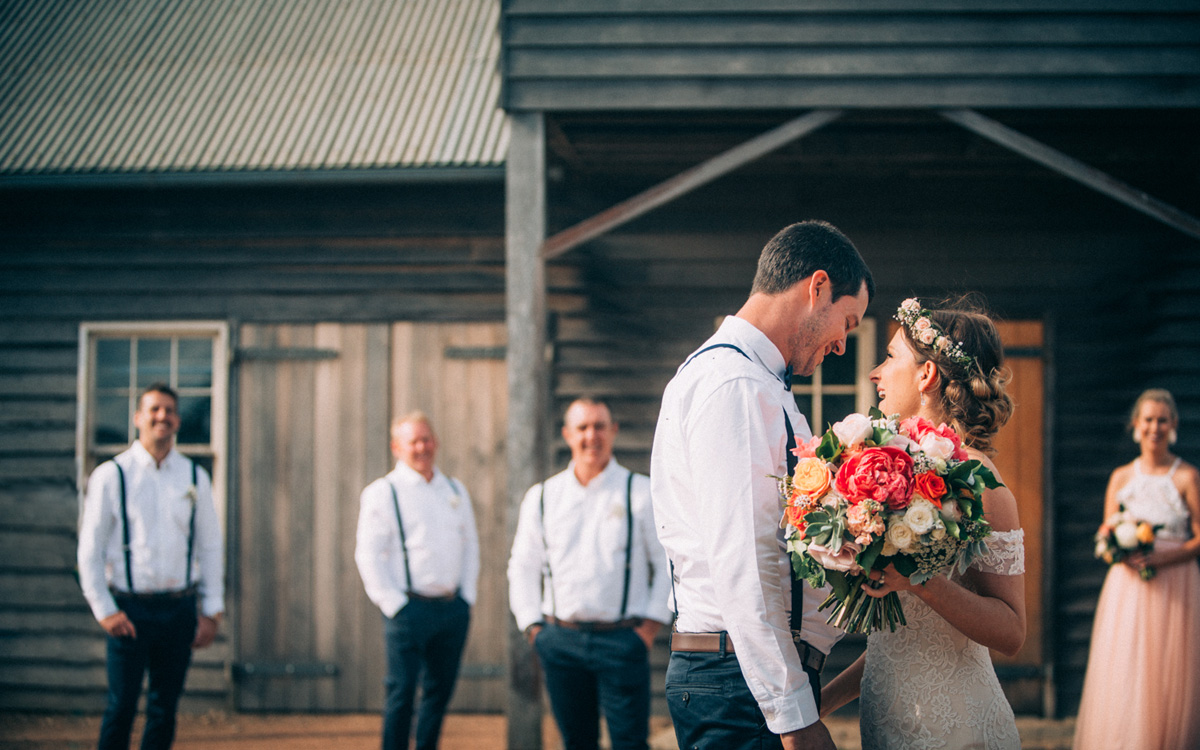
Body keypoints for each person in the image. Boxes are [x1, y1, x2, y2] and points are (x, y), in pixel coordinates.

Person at [650, 220, 873, 750]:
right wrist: (793, 715)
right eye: (848, 321)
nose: (843, 344)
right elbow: (743, 560)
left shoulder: (757, 382)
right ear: (816, 287)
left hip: (745, 675)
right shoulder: (735, 386)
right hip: (738, 682)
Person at [819, 297, 1025, 749]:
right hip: (886, 720)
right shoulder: (889, 473)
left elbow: (1011, 632)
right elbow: (899, 640)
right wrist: (818, 705)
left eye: (889, 357)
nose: (875, 373)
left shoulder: (981, 483)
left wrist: (919, 582)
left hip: (956, 728)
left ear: (926, 375)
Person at [508, 398, 673, 750]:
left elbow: (666, 564)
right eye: (582, 427)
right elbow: (522, 566)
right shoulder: (543, 496)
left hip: (623, 640)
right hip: (560, 641)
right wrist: (533, 628)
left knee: (630, 742)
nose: (591, 436)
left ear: (613, 431)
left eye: (599, 426)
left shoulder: (639, 491)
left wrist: (648, 629)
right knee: (576, 742)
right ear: (568, 435)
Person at [77, 383, 225, 750]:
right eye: (155, 409)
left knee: (164, 708)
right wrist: (104, 609)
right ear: (138, 417)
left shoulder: (194, 477)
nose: (163, 416)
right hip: (129, 608)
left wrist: (211, 609)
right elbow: (90, 549)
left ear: (177, 420)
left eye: (170, 410)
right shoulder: (113, 475)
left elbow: (209, 545)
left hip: (178, 608)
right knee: (121, 706)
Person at [1071, 389, 1200, 750]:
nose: (1154, 427)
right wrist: (1116, 549)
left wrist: (1162, 558)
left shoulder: (1188, 477)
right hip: (1127, 590)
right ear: (1135, 425)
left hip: (1177, 585)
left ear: (1173, 425)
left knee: (1170, 673)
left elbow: (1199, 539)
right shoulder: (1121, 477)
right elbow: (1106, 532)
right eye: (1148, 419)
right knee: (1128, 668)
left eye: (1162, 420)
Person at [355, 412, 479, 750]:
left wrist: (466, 597)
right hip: (408, 611)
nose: (422, 447)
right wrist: (395, 605)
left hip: (451, 610)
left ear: (435, 442)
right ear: (397, 447)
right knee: (402, 692)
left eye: (427, 439)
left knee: (438, 694)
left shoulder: (454, 489)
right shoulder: (383, 492)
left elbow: (470, 546)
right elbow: (368, 555)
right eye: (414, 441)